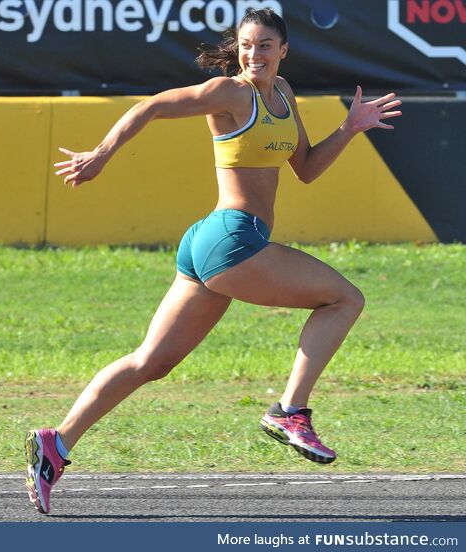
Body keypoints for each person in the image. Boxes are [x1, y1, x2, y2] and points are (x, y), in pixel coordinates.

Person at [25, 8, 402, 514]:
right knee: (344, 299)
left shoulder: (284, 94)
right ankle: (290, 411)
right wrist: (102, 153)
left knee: (150, 362)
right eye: (247, 45)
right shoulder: (231, 93)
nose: (254, 54)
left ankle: (56, 443)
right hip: (230, 241)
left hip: (212, 243)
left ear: (283, 50)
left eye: (265, 44)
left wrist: (350, 127)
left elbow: (307, 169)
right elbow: (154, 106)